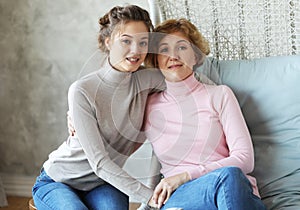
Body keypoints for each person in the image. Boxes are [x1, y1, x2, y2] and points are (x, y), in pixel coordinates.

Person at [32, 5, 165, 210]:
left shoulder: (147, 80)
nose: (136, 50)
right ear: (108, 41)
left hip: (102, 184)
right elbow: (100, 163)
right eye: (126, 41)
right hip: (59, 181)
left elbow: (189, 78)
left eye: (143, 42)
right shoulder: (82, 90)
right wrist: (151, 198)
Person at [141, 18, 267, 209]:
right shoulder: (147, 105)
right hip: (183, 197)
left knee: (229, 175)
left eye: (182, 47)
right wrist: (77, 117)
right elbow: (109, 127)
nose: (173, 55)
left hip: (233, 191)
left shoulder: (220, 95)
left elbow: (244, 159)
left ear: (196, 56)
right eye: (164, 49)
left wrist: (184, 176)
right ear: (156, 60)